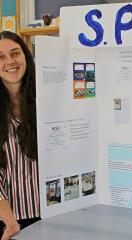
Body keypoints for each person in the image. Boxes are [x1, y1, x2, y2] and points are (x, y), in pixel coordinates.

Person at [0, 31, 40, 239]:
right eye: (1, 57)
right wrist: (10, 221)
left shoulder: (47, 99)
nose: (10, 62)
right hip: (11, 221)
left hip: (54, 213)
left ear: (25, 56)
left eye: (15, 53)